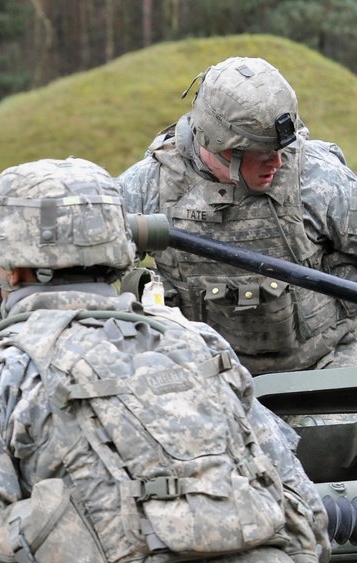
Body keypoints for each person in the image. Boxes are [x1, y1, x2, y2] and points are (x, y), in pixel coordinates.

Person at [0, 157, 329, 563]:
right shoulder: (198, 343)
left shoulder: (0, 377)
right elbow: (297, 499)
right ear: (121, 250)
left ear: (8, 267)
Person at [117, 56, 357, 377]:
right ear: (219, 145)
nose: (278, 163)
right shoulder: (149, 186)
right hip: (203, 372)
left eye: (281, 148)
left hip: (322, 361)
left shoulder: (319, 179)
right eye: (261, 153)